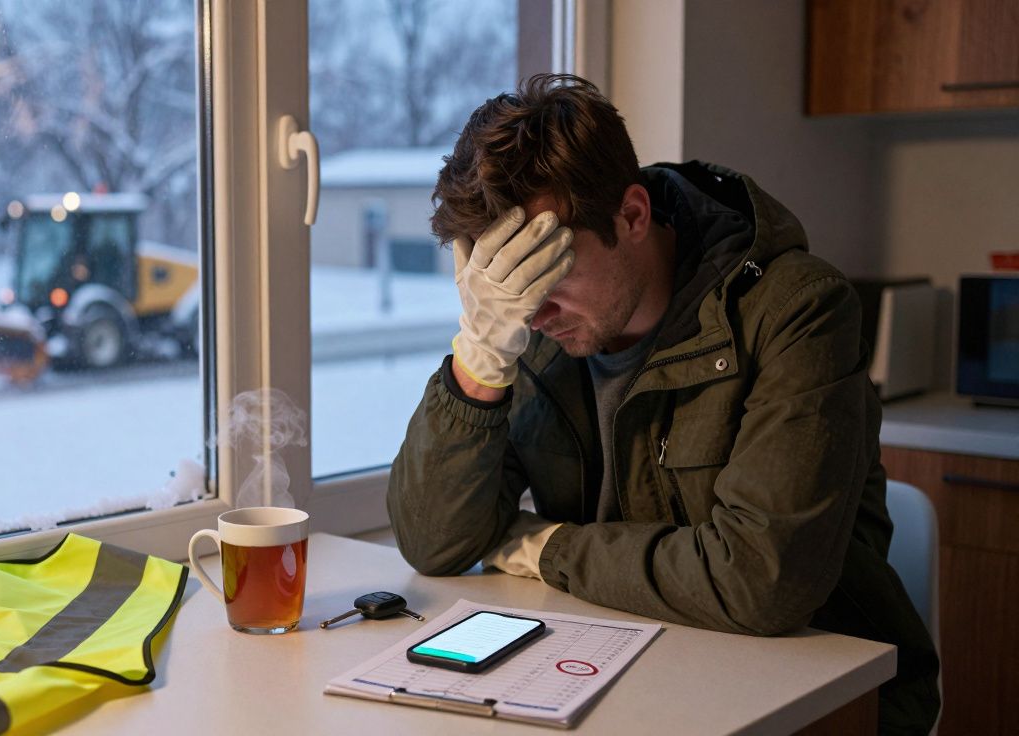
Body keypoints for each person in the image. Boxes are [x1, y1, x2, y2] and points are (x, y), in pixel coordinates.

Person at [387, 73, 940, 735]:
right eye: (506, 281)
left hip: (822, 698)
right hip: (618, 671)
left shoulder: (797, 312)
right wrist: (479, 358)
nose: (532, 310)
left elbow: (760, 583)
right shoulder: (523, 336)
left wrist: (548, 549)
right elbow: (435, 544)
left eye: (548, 270)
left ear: (632, 215)